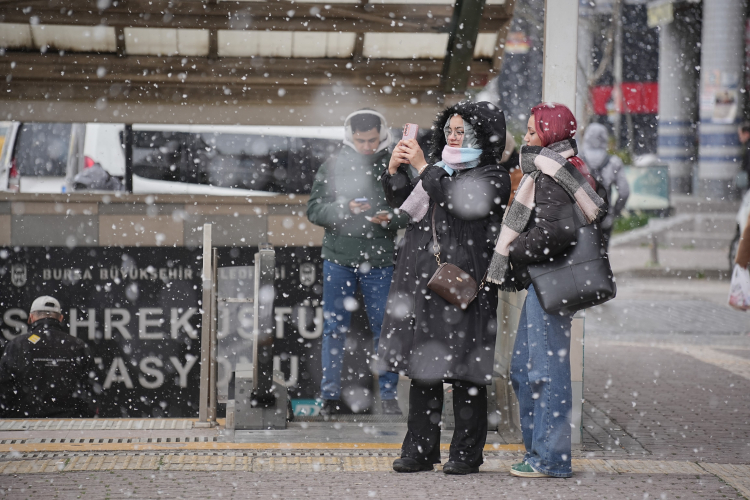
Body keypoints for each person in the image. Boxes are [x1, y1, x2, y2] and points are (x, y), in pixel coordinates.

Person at [378, 101, 511, 475]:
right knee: (424, 365)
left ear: (483, 136)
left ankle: (466, 454)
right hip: (424, 280)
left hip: (463, 284)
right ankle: (419, 450)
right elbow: (405, 204)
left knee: (467, 370)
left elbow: (458, 200)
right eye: (449, 130)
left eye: (462, 131)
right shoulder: (440, 168)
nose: (453, 137)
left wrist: (424, 168)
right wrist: (394, 170)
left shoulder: (493, 175)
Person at [486, 103, 607, 478]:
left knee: (544, 370)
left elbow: (556, 233)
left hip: (550, 283)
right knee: (526, 368)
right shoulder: (559, 169)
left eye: (532, 130)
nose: (525, 136)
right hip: (548, 284)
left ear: (550, 134)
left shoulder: (551, 174)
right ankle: (540, 451)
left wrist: (511, 248)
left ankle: (551, 458)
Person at [307, 109, 410, 416]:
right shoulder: (333, 165)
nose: (367, 146)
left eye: (372, 140)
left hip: (377, 259)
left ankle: (388, 396)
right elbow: (314, 210)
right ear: (349, 137)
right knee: (335, 329)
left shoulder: (396, 165)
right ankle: (329, 396)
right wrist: (345, 208)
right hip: (340, 259)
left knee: (384, 330)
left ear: (383, 135)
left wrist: (391, 218)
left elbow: (413, 209)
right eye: (361, 140)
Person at [0, 296, 98, 418]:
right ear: (60, 318)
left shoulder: (17, 345)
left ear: (31, 317)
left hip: (26, 423)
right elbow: (91, 391)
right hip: (69, 423)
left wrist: (13, 419)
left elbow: (4, 388)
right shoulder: (78, 346)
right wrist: (80, 418)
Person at [579, 122, 630, 248]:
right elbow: (624, 192)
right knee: (602, 253)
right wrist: (615, 211)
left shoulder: (577, 160)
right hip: (605, 218)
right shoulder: (614, 162)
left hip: (580, 219)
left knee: (581, 254)